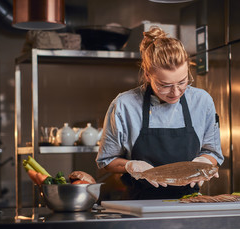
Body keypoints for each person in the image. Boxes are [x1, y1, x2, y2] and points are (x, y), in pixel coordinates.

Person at [95, 26, 224, 200]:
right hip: (139, 203)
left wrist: (205, 161)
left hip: (190, 202)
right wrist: (130, 165)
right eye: (165, 85)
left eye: (183, 82)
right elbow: (107, 161)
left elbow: (213, 152)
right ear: (148, 75)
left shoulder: (202, 101)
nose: (176, 92)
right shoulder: (124, 105)